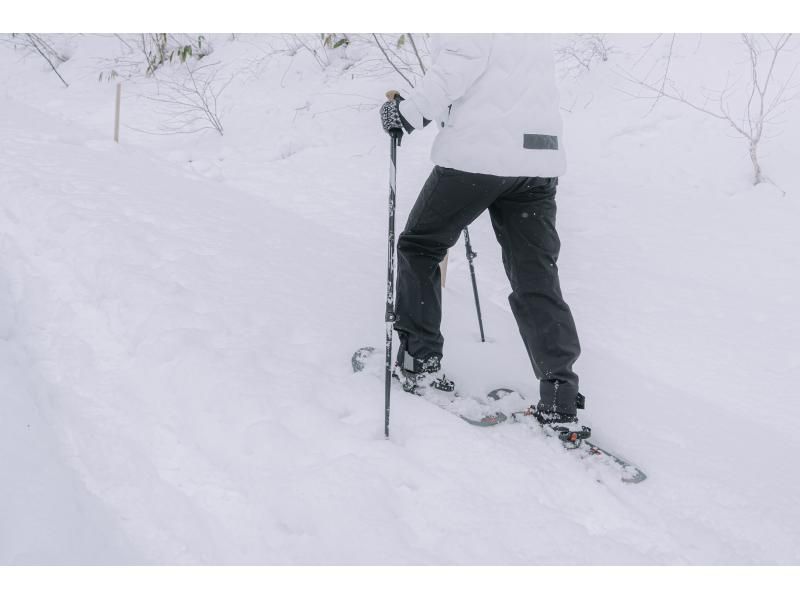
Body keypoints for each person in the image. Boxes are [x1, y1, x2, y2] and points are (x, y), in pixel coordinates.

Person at [380, 34, 585, 428]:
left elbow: (457, 66)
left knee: (421, 247)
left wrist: (407, 113)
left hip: (479, 160)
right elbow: (499, 83)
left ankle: (418, 362)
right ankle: (559, 395)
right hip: (537, 162)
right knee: (535, 274)